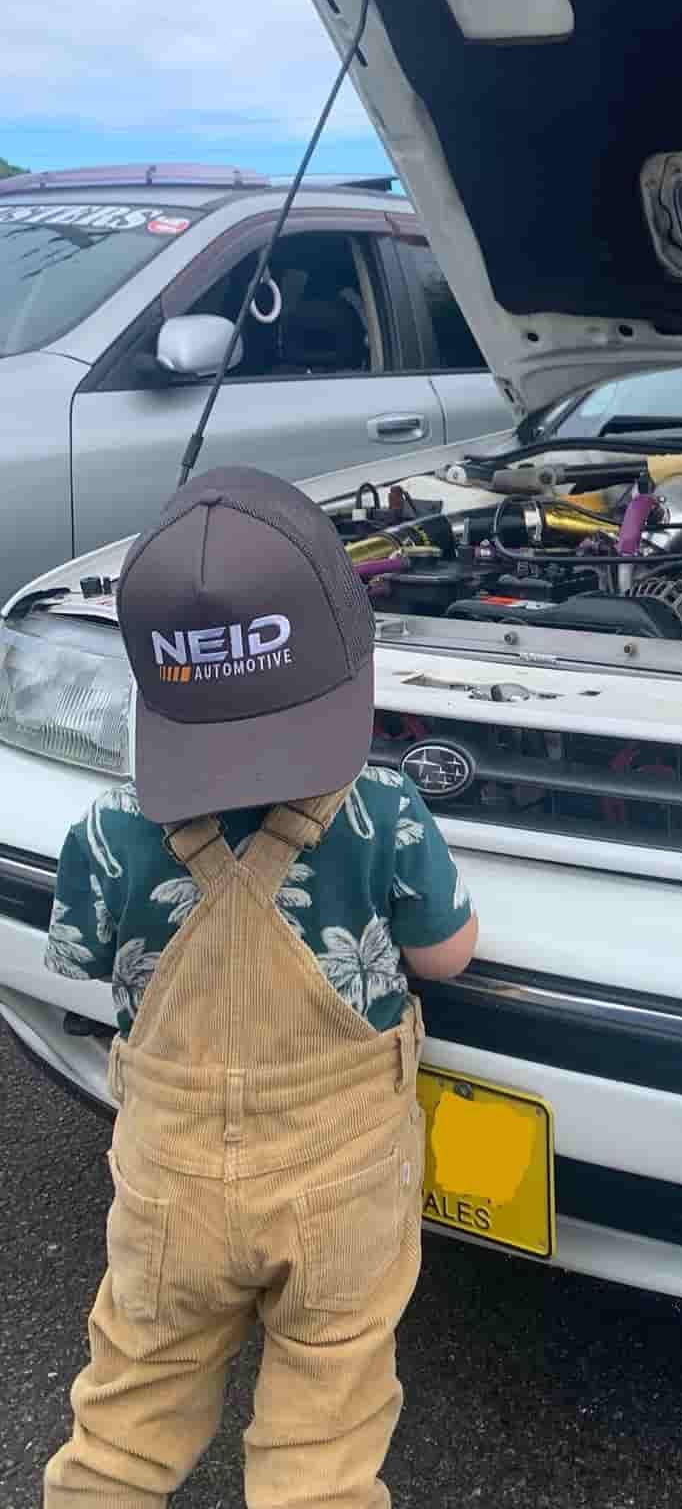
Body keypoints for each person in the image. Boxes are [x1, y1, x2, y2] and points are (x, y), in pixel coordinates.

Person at [42, 465, 478, 1509]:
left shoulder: (105, 831)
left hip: (169, 1179)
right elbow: (447, 956)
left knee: (130, 1401)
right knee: (324, 1420)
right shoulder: (385, 813)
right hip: (341, 1179)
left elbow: (83, 958)